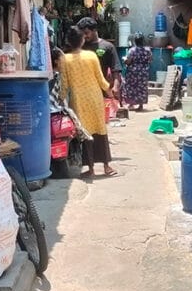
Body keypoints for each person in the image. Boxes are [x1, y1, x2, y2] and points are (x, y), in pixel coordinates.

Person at [59, 27, 117, 177]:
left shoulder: (64, 59)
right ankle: (106, 166)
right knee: (100, 130)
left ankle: (90, 168)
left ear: (69, 42)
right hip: (95, 98)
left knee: (85, 133)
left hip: (78, 101)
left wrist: (60, 99)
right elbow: (101, 79)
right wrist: (110, 93)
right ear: (82, 40)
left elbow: (64, 84)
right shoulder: (91, 56)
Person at [76, 17, 120, 97]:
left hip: (101, 91)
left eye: (86, 33)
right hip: (81, 91)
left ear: (95, 30)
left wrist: (116, 86)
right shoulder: (79, 47)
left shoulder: (108, 47)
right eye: (82, 34)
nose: (84, 36)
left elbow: (115, 69)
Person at [122, 34, 152, 111]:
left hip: (133, 73)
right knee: (142, 88)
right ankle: (141, 105)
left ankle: (131, 103)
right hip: (143, 72)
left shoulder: (132, 50)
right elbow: (150, 60)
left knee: (132, 87)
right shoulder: (148, 50)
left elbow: (128, 62)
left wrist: (124, 59)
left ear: (135, 41)